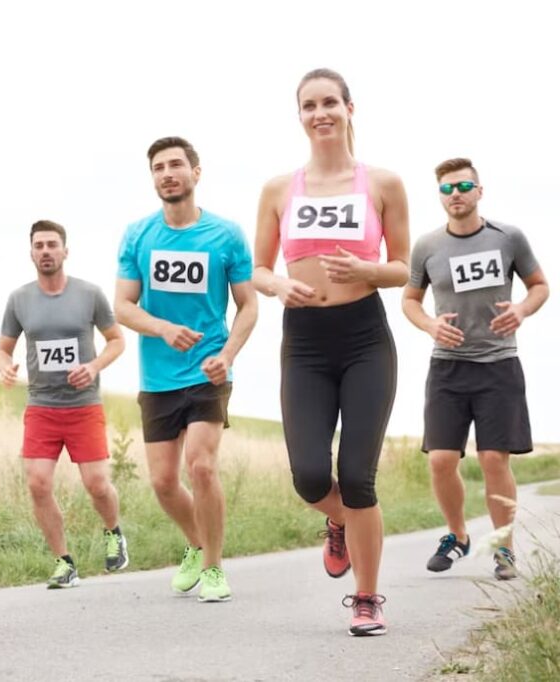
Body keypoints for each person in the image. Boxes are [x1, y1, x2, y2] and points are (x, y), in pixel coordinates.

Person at [252, 68, 409, 636]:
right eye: (308, 105)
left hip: (365, 336)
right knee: (310, 475)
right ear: (299, 116)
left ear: (349, 108)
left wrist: (368, 269)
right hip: (305, 343)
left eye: (329, 103)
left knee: (358, 477)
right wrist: (277, 287)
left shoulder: (383, 183)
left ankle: (367, 597)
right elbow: (258, 268)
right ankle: (341, 523)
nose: (319, 114)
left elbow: (403, 267)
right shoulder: (278, 189)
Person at [115, 136, 258, 603]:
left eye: (176, 164)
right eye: (158, 167)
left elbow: (248, 305)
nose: (167, 173)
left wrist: (228, 356)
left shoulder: (227, 235)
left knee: (201, 465)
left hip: (208, 370)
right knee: (161, 481)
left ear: (196, 173)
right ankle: (196, 545)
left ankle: (215, 568)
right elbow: (122, 307)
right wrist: (162, 328)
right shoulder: (138, 235)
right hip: (157, 375)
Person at [402, 158, 549, 581]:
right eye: (447, 189)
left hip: (499, 364)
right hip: (448, 367)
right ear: (440, 197)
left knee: (492, 459)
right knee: (441, 460)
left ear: (479, 191)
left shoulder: (508, 238)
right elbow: (410, 299)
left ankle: (504, 549)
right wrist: (429, 324)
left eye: (463, 186)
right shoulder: (428, 246)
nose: (456, 195)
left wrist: (521, 309)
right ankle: (458, 536)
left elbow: (539, 285)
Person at [0, 220, 128, 588]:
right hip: (41, 405)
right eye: (39, 246)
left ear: (65, 251)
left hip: (83, 405)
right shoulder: (19, 299)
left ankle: (113, 532)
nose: (46, 251)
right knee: (38, 484)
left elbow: (116, 340)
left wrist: (94, 366)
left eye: (52, 244)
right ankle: (63, 562)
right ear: (31, 253)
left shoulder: (89, 294)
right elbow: (3, 349)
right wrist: (6, 368)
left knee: (97, 484)